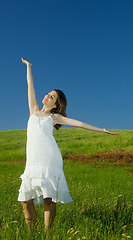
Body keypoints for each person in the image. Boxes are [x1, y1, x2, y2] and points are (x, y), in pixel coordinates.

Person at [18, 58, 119, 233]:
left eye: (52, 96)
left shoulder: (55, 117)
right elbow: (30, 85)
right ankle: (31, 234)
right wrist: (29, 67)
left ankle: (47, 234)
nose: (48, 96)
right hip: (33, 161)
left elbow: (79, 123)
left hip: (49, 160)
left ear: (56, 105)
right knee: (25, 200)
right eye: (49, 93)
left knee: (49, 199)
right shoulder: (33, 110)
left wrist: (102, 130)